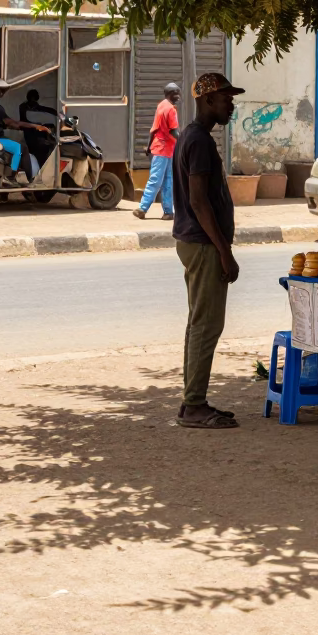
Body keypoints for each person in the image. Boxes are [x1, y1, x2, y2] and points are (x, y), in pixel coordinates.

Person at [173, 72, 245, 429]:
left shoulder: (192, 136)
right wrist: (224, 252)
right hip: (202, 245)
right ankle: (194, 405)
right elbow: (200, 202)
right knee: (206, 325)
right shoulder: (198, 140)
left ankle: (193, 400)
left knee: (198, 324)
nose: (231, 104)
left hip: (194, 242)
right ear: (207, 101)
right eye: (226, 98)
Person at [0, 79, 48, 185]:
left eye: (2, 92)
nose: (1, 94)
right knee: (20, 148)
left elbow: (1, 123)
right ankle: (19, 178)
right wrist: (35, 126)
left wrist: (16, 126)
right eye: (0, 91)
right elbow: (13, 123)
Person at [133, 81, 182, 220]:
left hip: (163, 149)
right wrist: (184, 141)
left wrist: (149, 147)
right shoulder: (170, 109)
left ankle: (168, 212)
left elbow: (154, 129)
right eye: (176, 93)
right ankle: (145, 208)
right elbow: (173, 131)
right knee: (159, 180)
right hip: (164, 149)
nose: (178, 96)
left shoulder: (161, 105)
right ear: (170, 94)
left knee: (166, 181)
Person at [19, 89, 58, 168]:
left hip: (29, 139)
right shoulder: (28, 109)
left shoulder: (23, 107)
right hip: (37, 140)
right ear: (37, 98)